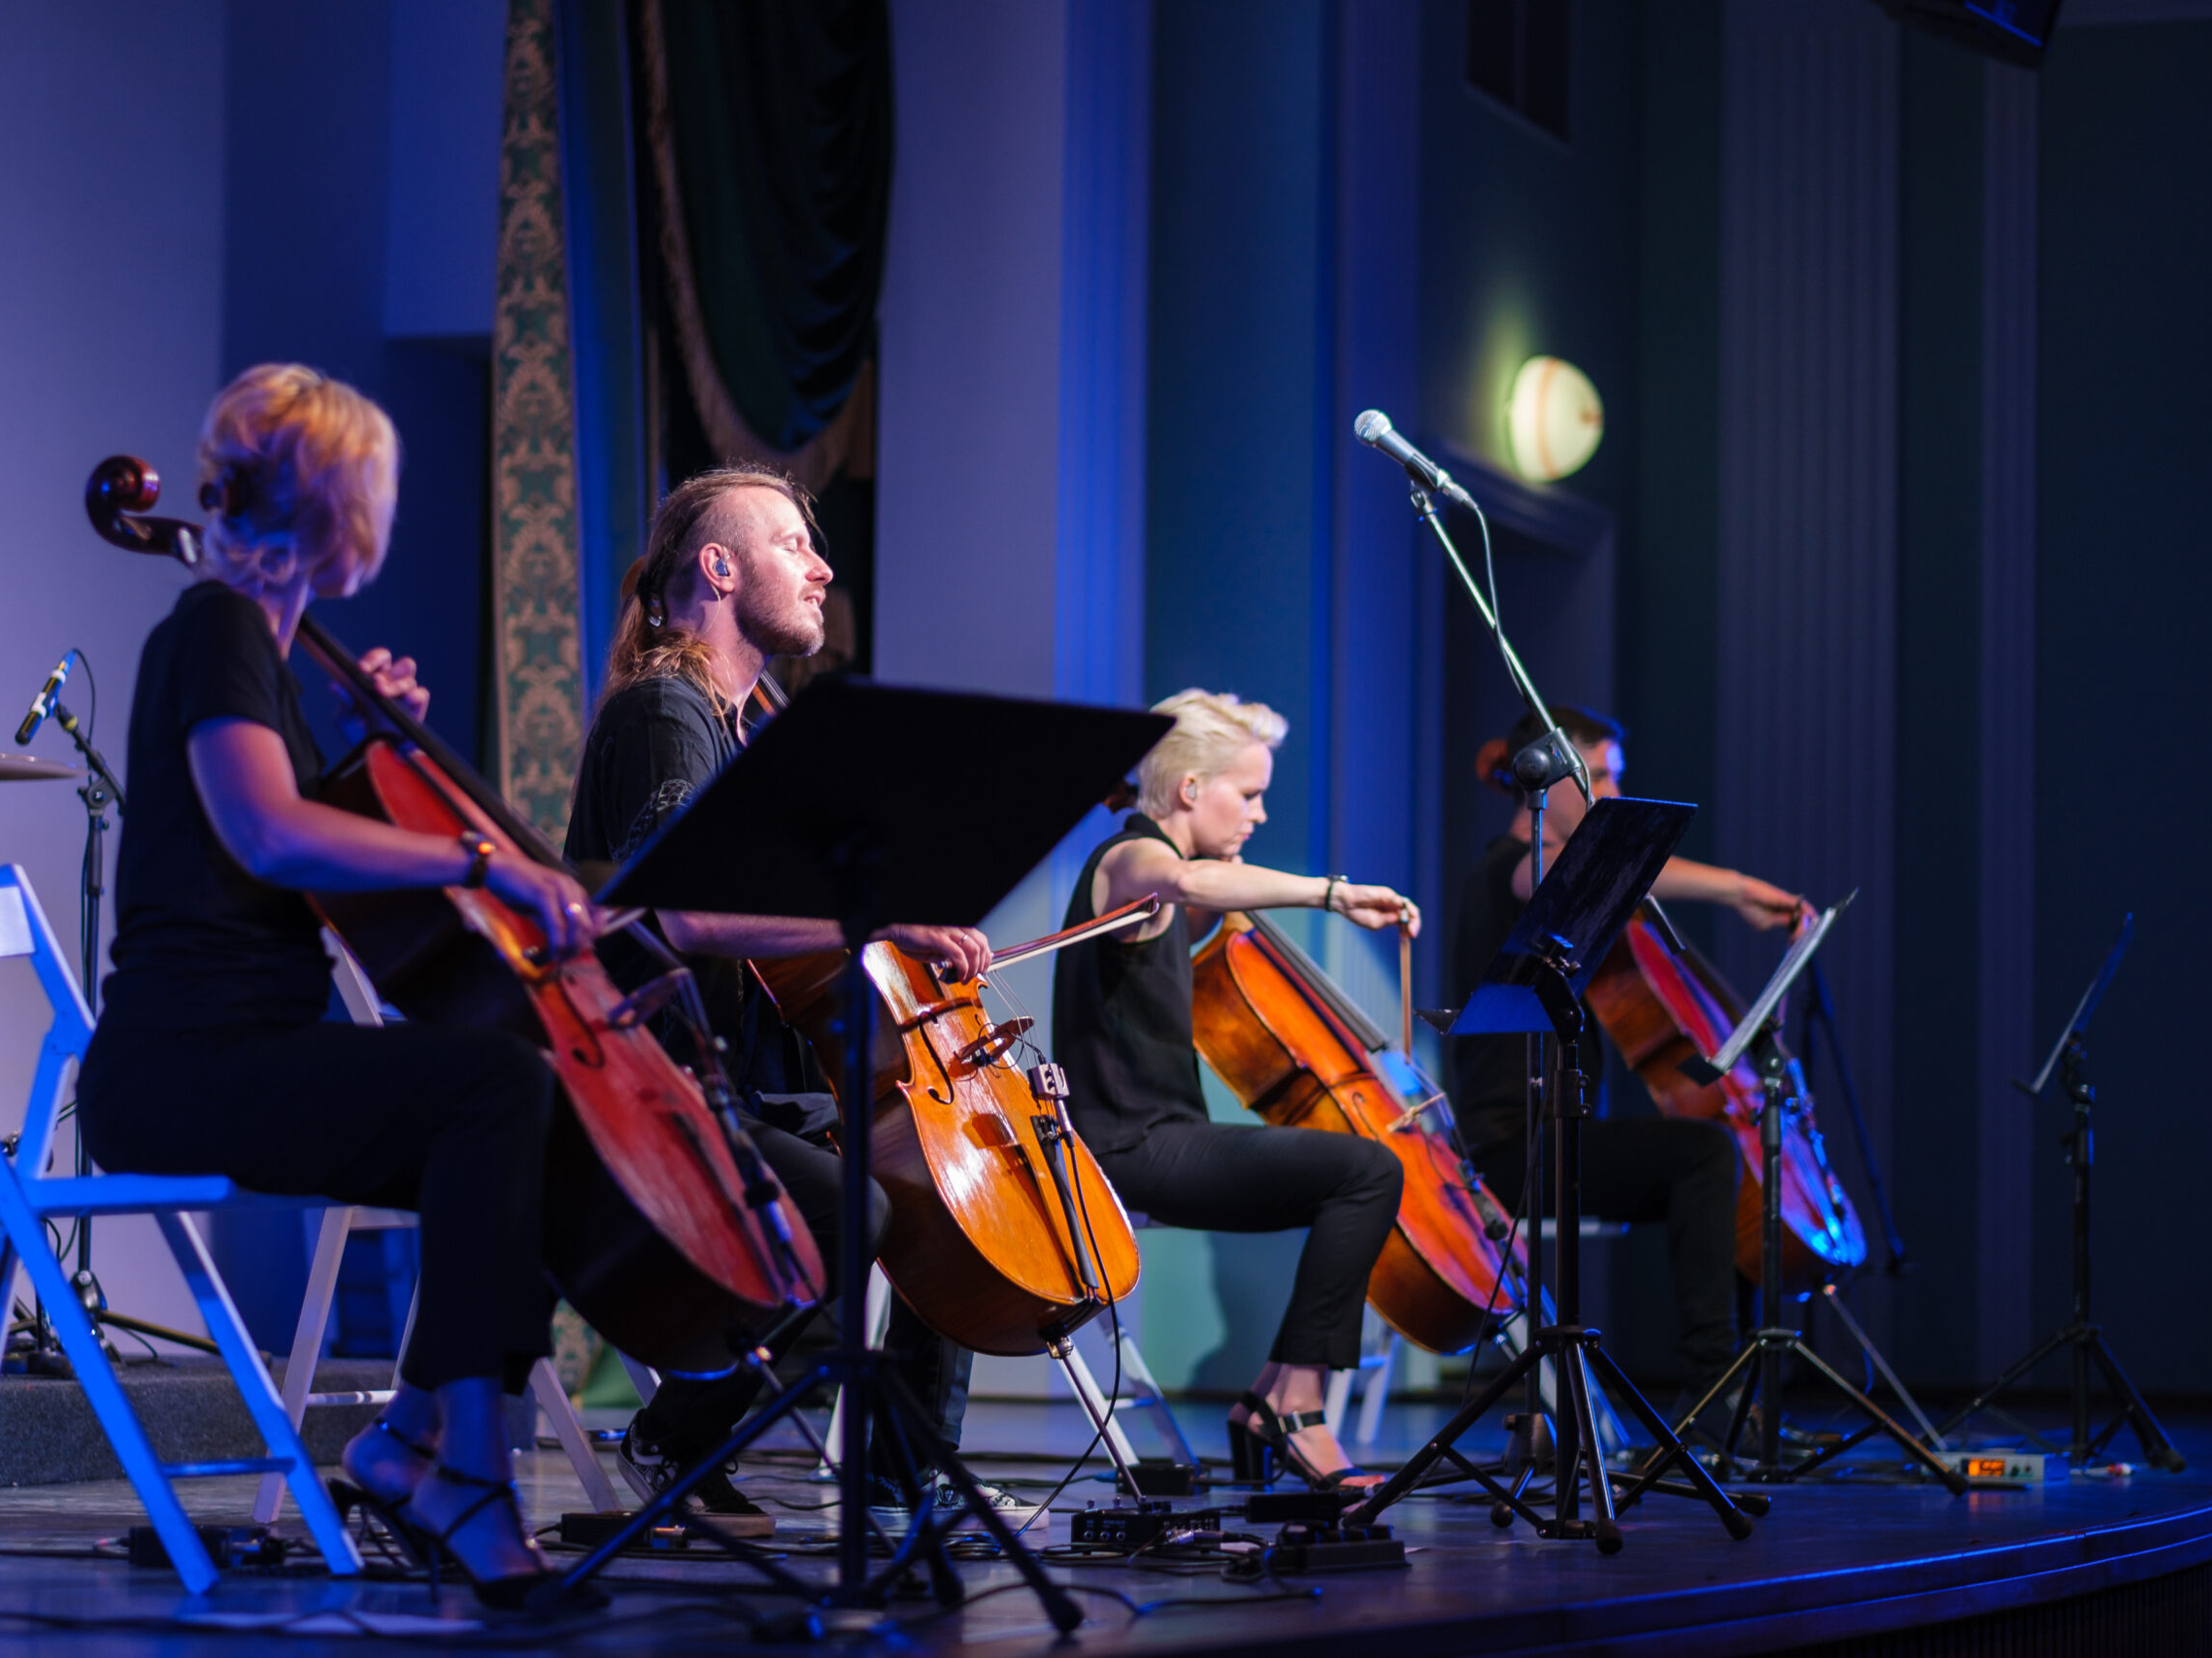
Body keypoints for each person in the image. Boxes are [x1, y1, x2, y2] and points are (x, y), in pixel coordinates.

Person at [75, 364, 593, 1607]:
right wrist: (482, 859)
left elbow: (292, 849)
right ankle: (464, 1468)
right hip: (183, 1064)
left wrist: (362, 761)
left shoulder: (258, 651)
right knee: (492, 1087)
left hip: (239, 1048)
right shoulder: (211, 628)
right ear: (335, 509)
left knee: (532, 1110)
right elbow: (267, 837)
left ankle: (414, 1438)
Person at [562, 465, 1041, 1533]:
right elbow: (674, 911)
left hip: (727, 1083)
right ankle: (679, 1432)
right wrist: (874, 922)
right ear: (719, 569)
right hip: (644, 1091)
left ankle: (902, 1477)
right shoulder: (663, 708)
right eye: (792, 544)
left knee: (941, 1176)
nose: (822, 567)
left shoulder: (738, 727)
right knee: (859, 1206)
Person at [1051, 691, 1416, 1492]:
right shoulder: (1131, 861)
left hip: (1165, 1135)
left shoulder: (1168, 881)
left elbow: (1205, 889)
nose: (1258, 812)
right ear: (1189, 790)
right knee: (1367, 1170)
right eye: (1247, 794)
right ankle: (1297, 1406)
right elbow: (1182, 878)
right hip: (1127, 1147)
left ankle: (1279, 1396)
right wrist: (1333, 893)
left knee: (1361, 1173)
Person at [1447, 702, 1809, 1427]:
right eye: (1599, 776)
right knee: (1705, 1154)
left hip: (1564, 1141)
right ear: (1548, 779)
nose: (1612, 792)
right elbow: (1552, 879)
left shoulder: (1553, 871)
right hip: (1514, 1149)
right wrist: (1737, 888)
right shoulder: (1510, 872)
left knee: (1718, 1163)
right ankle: (1714, 1384)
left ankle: (1731, 1386)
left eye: (1615, 775)